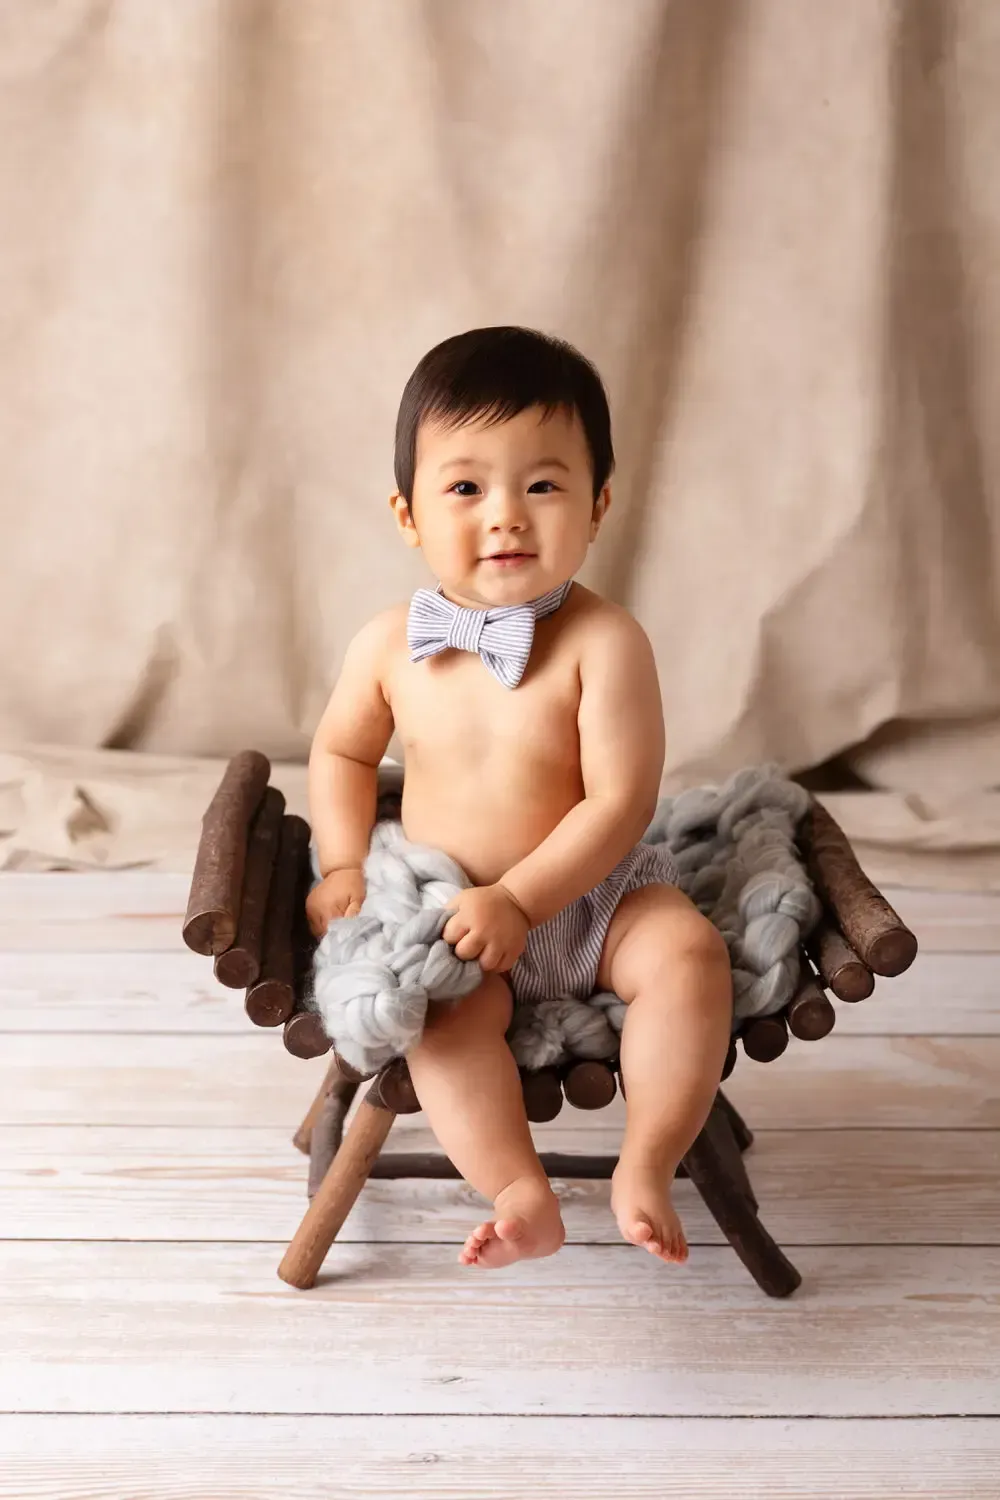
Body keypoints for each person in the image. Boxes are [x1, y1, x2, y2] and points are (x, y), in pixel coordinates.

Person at [306, 326, 733, 1270]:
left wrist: (524, 900)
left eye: (542, 485)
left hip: (595, 898)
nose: (506, 516)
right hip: (450, 915)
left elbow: (619, 802)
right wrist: (343, 862)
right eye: (465, 487)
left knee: (689, 955)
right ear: (408, 514)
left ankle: (648, 1160)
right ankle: (517, 1187)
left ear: (598, 505)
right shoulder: (389, 645)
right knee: (442, 1022)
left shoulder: (606, 642)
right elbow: (341, 750)